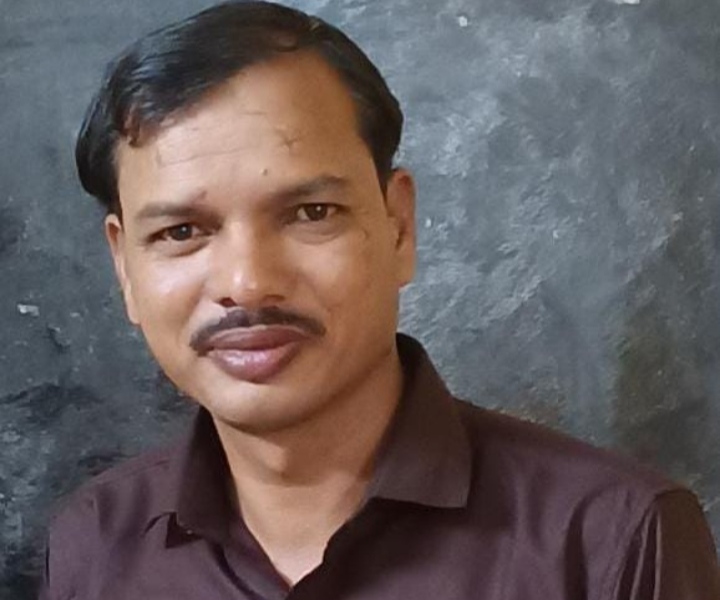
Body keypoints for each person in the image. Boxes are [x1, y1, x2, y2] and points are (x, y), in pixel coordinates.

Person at [41, 2, 720, 599]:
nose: (246, 284)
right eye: (182, 232)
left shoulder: (614, 541)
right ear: (124, 266)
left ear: (399, 228)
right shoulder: (93, 547)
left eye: (310, 213)